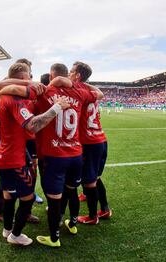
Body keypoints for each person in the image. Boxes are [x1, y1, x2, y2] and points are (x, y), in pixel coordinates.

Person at [0, 62, 69, 246]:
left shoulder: (0, 99)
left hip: (0, 157)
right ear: (24, 78)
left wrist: (3, 141)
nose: (31, 79)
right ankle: (15, 235)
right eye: (30, 76)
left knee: (8, 194)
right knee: (27, 198)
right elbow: (33, 125)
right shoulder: (14, 99)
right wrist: (56, 108)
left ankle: (7, 228)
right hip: (13, 159)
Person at [34, 63, 103, 247]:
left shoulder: (45, 92)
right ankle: (72, 224)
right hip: (75, 154)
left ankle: (54, 238)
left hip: (54, 154)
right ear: (68, 75)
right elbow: (99, 94)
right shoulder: (80, 93)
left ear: (51, 75)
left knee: (54, 198)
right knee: (72, 190)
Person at [52, 62, 111, 225]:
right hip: (100, 139)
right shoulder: (89, 90)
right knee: (94, 177)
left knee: (90, 181)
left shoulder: (77, 89)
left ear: (77, 76)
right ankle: (104, 208)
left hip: (89, 142)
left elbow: (59, 81)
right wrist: (85, 81)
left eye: (71, 72)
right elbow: (100, 94)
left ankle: (93, 216)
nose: (68, 74)